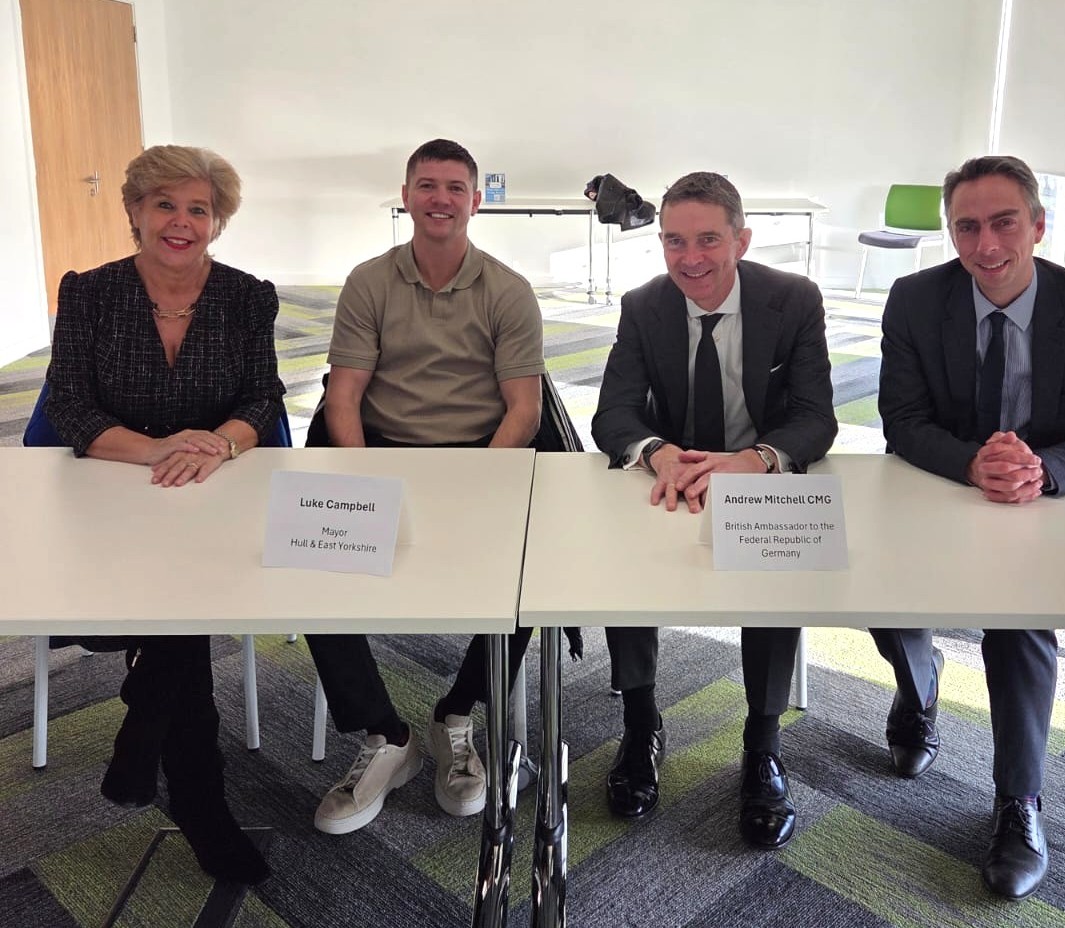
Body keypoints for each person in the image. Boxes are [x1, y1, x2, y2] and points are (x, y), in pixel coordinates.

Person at [873, 154, 1065, 900]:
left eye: (1004, 223)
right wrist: (972, 465)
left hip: (1046, 503)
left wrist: (1041, 470)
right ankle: (918, 688)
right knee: (869, 580)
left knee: (1018, 624)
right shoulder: (915, 299)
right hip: (949, 490)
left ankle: (1018, 803)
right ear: (949, 230)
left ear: (1038, 225)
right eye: (967, 226)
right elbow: (901, 421)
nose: (985, 245)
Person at [45, 144, 285, 884]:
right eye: (165, 206)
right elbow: (71, 407)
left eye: (199, 209)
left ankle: (148, 717)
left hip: (214, 496)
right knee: (180, 610)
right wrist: (155, 450)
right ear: (135, 213)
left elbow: (261, 400)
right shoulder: (91, 293)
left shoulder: (248, 297)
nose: (182, 223)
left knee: (182, 597)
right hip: (116, 495)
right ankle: (199, 797)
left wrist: (217, 443)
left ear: (218, 222)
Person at [305, 139, 546, 834]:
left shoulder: (507, 290)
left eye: (455, 187)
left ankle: (456, 715)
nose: (440, 198)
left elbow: (523, 410)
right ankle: (387, 736)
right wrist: (362, 486)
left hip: (480, 455)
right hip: (377, 453)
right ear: (406, 195)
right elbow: (343, 397)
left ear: (477, 200)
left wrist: (472, 486)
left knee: (531, 578)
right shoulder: (369, 281)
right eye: (426, 185)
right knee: (315, 568)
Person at [591, 172, 837, 849]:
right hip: (675, 479)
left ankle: (761, 746)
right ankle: (642, 728)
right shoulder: (644, 306)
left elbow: (817, 417)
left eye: (707, 240)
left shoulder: (791, 300)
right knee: (625, 562)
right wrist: (658, 452)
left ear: (742, 239)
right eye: (673, 240)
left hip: (754, 475)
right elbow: (611, 413)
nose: (689, 259)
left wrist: (754, 460)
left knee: (774, 574)